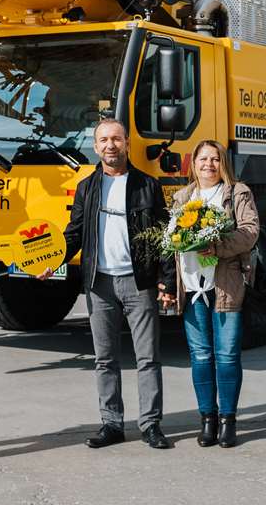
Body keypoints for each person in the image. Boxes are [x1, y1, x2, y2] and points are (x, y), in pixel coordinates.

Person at [43, 118, 175, 449]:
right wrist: (51, 260)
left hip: (138, 282)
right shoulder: (87, 187)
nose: (110, 145)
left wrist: (167, 281)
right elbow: (74, 233)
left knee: (148, 357)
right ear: (96, 146)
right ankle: (112, 424)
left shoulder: (147, 185)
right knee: (105, 359)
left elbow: (163, 237)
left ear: (128, 143)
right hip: (99, 284)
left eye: (116, 139)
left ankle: (150, 424)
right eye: (103, 140)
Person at [164, 140, 259, 448]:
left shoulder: (237, 193)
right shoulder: (182, 197)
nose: (209, 164)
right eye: (203, 159)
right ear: (194, 163)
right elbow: (169, 242)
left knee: (228, 356)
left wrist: (216, 246)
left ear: (223, 163)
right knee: (201, 357)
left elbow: (249, 232)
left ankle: (228, 421)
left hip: (225, 286)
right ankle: (208, 419)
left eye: (215, 159)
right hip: (192, 287)